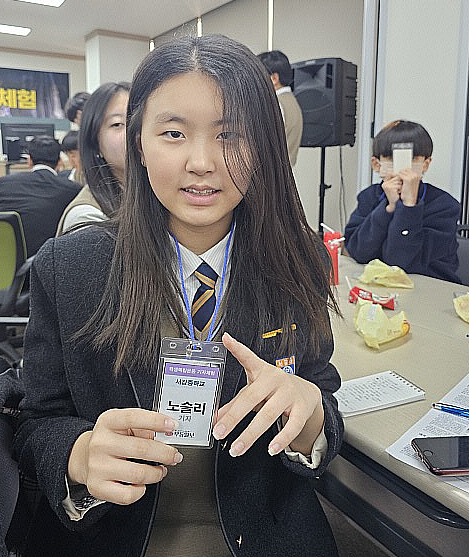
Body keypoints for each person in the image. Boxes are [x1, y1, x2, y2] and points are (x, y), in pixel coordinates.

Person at [15, 34, 343, 557]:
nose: (202, 162)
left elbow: (321, 392)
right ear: (138, 145)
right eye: (173, 133)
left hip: (266, 533)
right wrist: (78, 454)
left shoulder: (297, 258)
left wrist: (311, 416)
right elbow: (36, 421)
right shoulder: (71, 267)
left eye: (230, 134)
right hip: (114, 537)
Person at [344, 119, 460, 283]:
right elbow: (358, 252)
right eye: (391, 159)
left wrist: (409, 207)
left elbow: (401, 263)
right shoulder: (369, 197)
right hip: (378, 286)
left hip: (429, 287)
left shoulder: (445, 206)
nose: (403, 169)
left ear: (425, 164)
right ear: (376, 165)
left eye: (413, 159)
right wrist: (388, 208)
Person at [57, 82, 130, 233]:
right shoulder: (86, 219)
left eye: (139, 121)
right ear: (95, 143)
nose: (134, 131)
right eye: (117, 124)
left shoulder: (160, 197)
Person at [0, 135, 81, 257]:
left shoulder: (3, 184)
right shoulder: (73, 190)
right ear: (60, 162)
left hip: (6, 259)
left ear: (29, 161)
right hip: (49, 260)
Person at [257, 49, 303, 166]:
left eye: (259, 76)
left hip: (270, 173)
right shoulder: (292, 101)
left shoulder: (275, 104)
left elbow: (264, 147)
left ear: (274, 79)